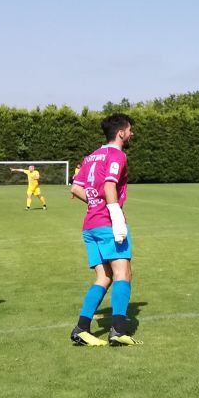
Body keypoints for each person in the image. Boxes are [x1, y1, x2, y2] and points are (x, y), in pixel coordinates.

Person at [67, 113, 140, 346]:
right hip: (108, 223)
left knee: (104, 276)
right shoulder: (117, 154)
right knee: (123, 273)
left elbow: (76, 188)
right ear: (121, 133)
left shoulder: (91, 157)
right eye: (129, 130)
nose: (131, 134)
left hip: (91, 224)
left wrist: (94, 203)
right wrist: (116, 216)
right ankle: (118, 330)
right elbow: (109, 184)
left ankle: (81, 328)